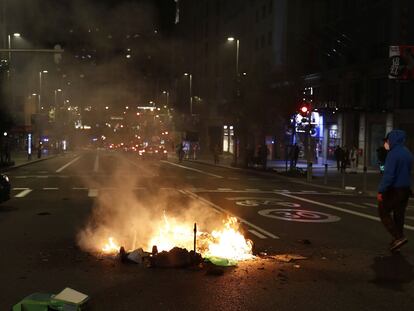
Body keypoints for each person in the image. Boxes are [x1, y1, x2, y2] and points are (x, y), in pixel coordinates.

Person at [377, 130, 413, 252]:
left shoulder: (393, 154)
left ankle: (399, 237)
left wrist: (381, 191)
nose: (386, 143)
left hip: (394, 189)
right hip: (405, 189)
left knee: (383, 210)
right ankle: (398, 239)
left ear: (392, 140)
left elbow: (389, 175)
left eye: (387, 141)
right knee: (399, 214)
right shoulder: (407, 153)